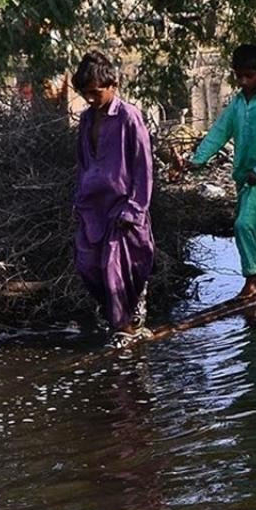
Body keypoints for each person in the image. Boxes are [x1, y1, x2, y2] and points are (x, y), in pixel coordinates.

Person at [177, 44, 256, 299]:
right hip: (245, 177)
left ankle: (252, 281)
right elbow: (219, 132)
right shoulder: (237, 105)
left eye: (248, 76)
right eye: (239, 76)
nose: (243, 81)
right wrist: (197, 159)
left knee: (243, 225)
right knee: (252, 226)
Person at [72, 51, 156, 349]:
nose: (91, 99)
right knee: (87, 266)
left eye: (96, 92)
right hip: (93, 208)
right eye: (86, 94)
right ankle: (118, 320)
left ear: (113, 85)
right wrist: (79, 199)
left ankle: (125, 328)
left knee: (114, 268)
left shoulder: (128, 116)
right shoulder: (85, 119)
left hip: (123, 207)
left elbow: (143, 166)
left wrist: (135, 209)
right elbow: (84, 162)